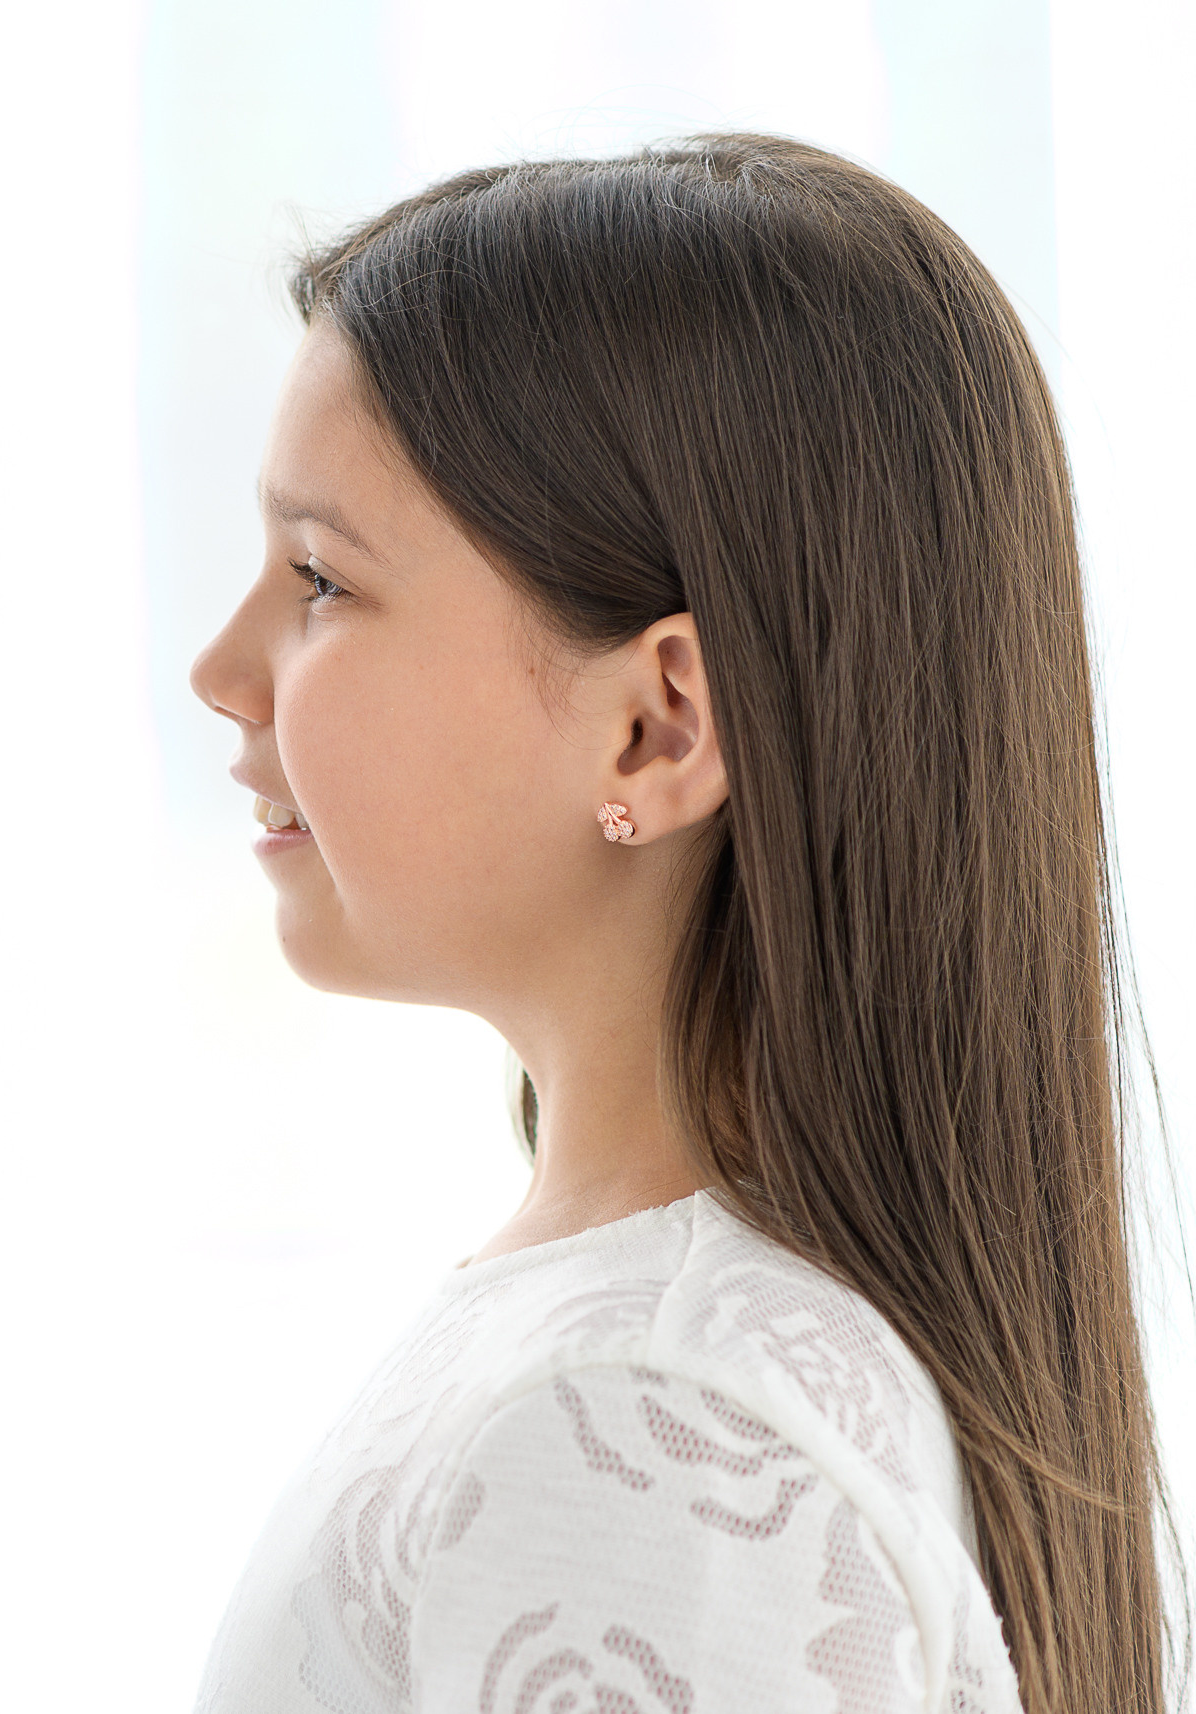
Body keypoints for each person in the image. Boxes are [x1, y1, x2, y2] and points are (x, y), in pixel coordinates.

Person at [188, 135, 1166, 1714]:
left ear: (656, 725)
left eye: (319, 579)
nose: (225, 671)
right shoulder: (646, 1363)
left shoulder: (645, 1430)